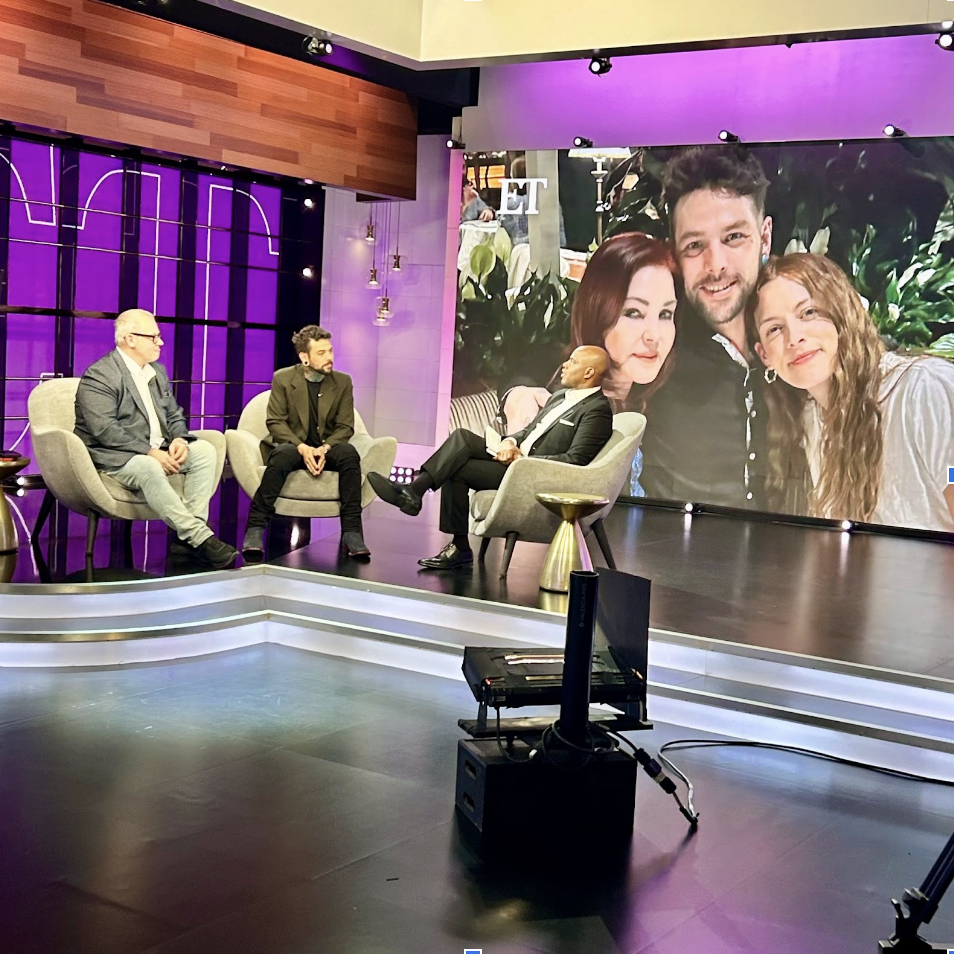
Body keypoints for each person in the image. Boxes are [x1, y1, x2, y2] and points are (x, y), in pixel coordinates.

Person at [746, 253, 954, 531]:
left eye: (808, 313)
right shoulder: (812, 418)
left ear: (842, 313)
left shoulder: (921, 391)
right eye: (774, 329)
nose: (794, 338)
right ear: (764, 357)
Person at [368, 346, 614, 569]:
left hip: (530, 473)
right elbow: (530, 431)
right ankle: (416, 492)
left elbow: (575, 461)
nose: (564, 365)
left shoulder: (597, 410)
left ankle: (446, 532)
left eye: (572, 362)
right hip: (516, 460)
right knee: (462, 437)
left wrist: (522, 460)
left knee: (457, 468)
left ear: (588, 372)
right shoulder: (560, 396)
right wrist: (510, 441)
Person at [637, 145, 774, 508]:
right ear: (676, 254)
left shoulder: (794, 331)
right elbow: (569, 359)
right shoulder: (657, 340)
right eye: (695, 245)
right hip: (677, 557)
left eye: (734, 238)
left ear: (765, 238)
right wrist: (518, 393)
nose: (716, 265)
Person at [74, 309, 236, 568]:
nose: (160, 342)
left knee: (204, 450)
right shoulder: (100, 375)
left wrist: (180, 440)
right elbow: (104, 430)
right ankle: (200, 538)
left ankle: (185, 542)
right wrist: (149, 452)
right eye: (154, 337)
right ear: (130, 339)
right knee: (149, 466)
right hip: (115, 455)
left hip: (156, 448)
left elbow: (173, 414)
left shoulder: (156, 372)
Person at [502, 232, 679, 425]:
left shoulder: (676, 396)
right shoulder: (567, 407)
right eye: (634, 313)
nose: (654, 335)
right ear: (597, 313)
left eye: (665, 314)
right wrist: (516, 395)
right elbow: (531, 367)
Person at [242, 325, 369, 561]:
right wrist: (302, 447)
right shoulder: (283, 378)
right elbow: (275, 422)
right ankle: (255, 529)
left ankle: (352, 532)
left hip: (328, 448)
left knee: (349, 454)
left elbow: (346, 426)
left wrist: (324, 448)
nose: (329, 357)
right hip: (294, 446)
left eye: (330, 351)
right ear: (304, 357)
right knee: (281, 455)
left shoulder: (342, 382)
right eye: (321, 353)